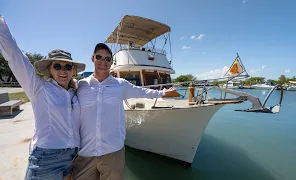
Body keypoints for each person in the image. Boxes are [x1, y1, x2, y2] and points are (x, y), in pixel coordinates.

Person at [72, 43, 175, 180]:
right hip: (85, 152)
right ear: (93, 59)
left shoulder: (120, 84)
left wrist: (162, 93)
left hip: (113, 151)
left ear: (111, 62)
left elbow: (142, 91)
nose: (103, 61)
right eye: (99, 57)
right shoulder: (81, 85)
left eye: (107, 59)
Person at [0, 16, 86, 180]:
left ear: (73, 70)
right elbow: (15, 56)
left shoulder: (75, 93)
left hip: (72, 158)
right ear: (50, 69)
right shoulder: (39, 88)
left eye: (68, 66)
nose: (63, 70)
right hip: (46, 160)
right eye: (58, 66)